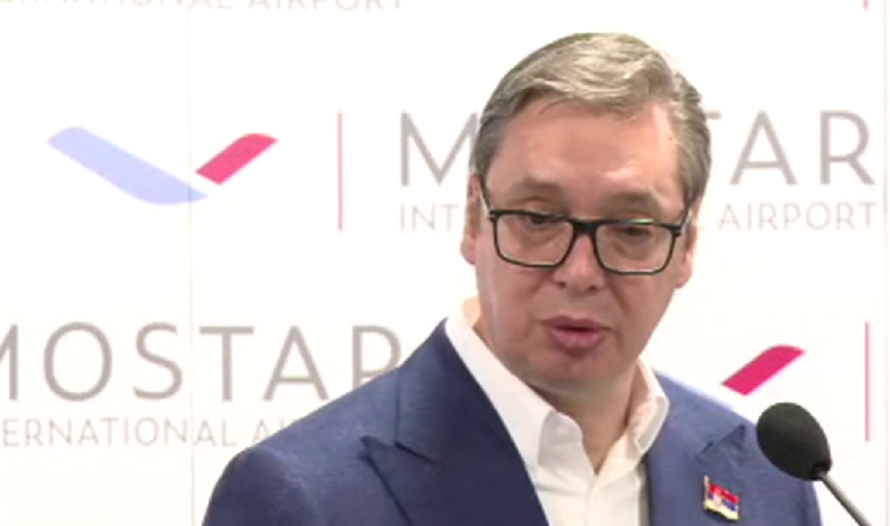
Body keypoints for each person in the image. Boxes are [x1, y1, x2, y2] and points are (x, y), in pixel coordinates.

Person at [202, 32, 823, 526]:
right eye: (538, 220)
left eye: (630, 229)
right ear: (475, 220)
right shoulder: (303, 497)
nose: (579, 273)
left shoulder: (767, 485)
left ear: (686, 246)